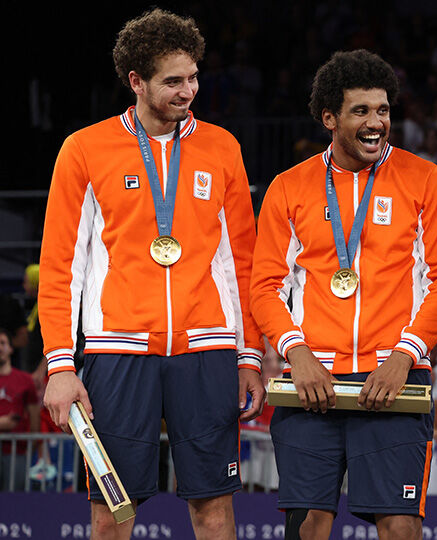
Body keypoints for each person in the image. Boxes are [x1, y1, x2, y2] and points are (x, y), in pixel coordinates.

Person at [39, 9, 264, 538]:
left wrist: (249, 354)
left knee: (214, 506)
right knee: (112, 509)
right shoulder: (84, 149)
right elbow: (60, 267)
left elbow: (242, 264)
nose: (188, 90)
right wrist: (58, 365)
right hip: (116, 351)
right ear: (136, 81)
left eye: (193, 77)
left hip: (205, 350)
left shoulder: (222, 147)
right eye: (172, 81)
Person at [249, 49, 437, 540]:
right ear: (330, 117)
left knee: (401, 524)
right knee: (307, 525)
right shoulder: (289, 187)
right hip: (310, 380)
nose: (376, 123)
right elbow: (264, 287)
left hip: (393, 379)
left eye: (383, 110)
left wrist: (405, 356)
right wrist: (295, 353)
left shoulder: (425, 179)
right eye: (361, 111)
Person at [0, 328, 40, 491]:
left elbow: (35, 420)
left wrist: (30, 449)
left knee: (13, 505)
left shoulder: (25, 380)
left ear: (10, 348)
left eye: (2, 343)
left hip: (17, 453)